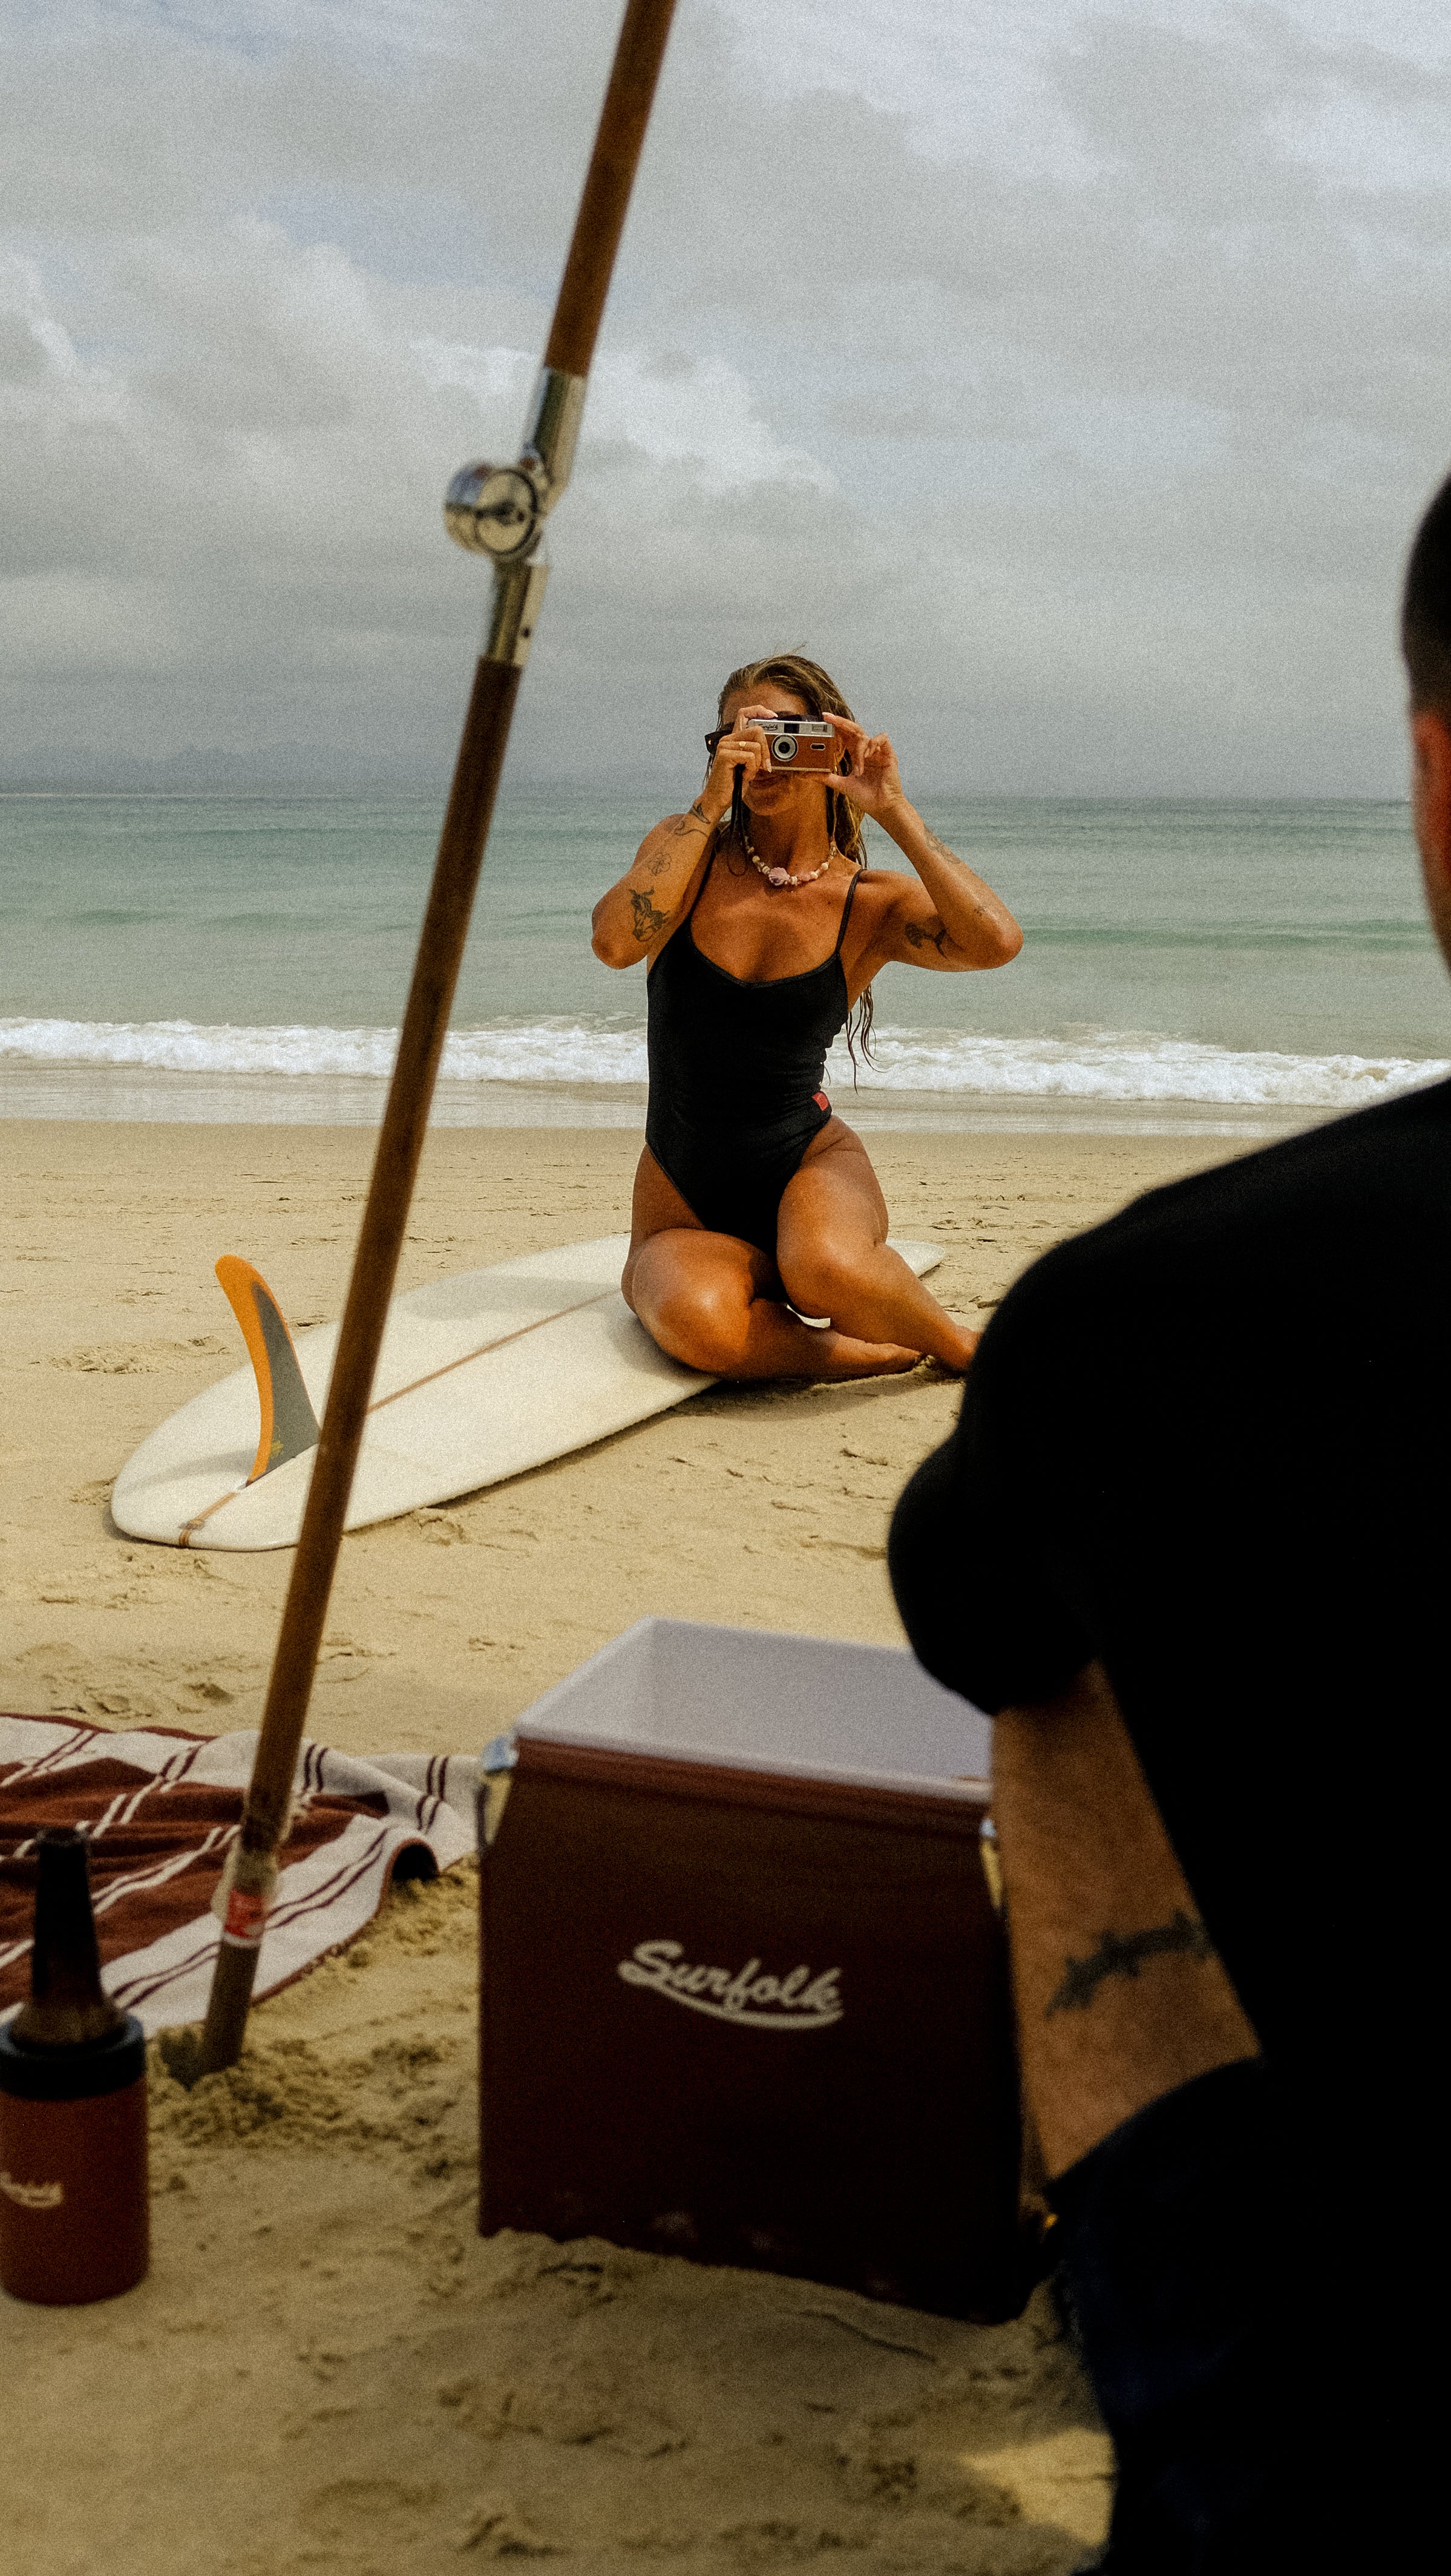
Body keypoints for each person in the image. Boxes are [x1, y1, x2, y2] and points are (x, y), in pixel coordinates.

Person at [887, 473, 1451, 2569]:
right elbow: (614, 936)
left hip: (1326, 2437)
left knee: (1052, 1599)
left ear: (1429, 767)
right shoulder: (696, 874)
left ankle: (1202, 2351)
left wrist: (883, 804)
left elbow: (963, 1620)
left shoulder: (1163, 1318)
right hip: (719, 1207)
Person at [591, 654, 1022, 1380]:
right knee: (697, 1326)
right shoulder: (686, 851)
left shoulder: (868, 903)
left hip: (809, 1167)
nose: (762, 755)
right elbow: (614, 943)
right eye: (740, 735)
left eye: (783, 734)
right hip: (683, 1196)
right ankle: (868, 1355)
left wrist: (894, 809)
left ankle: (958, 1349)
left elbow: (995, 943)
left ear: (828, 743)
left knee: (826, 1269)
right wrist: (707, 805)